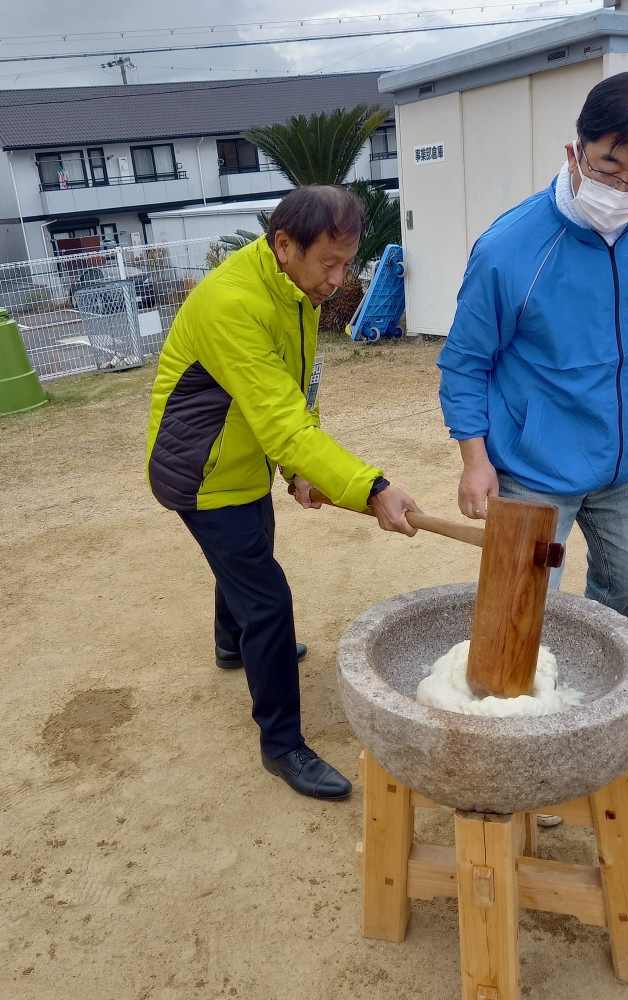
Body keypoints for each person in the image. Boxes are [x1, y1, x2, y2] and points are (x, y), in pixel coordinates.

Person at [147, 185, 420, 801]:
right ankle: (282, 745)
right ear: (284, 244)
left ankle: (228, 643)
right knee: (266, 599)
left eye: (347, 264)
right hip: (204, 474)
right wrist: (369, 488)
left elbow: (297, 392)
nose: (338, 280)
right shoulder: (230, 301)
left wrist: (302, 470)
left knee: (248, 558)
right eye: (330, 264)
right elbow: (282, 419)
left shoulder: (292, 288)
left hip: (243, 460)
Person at [439, 69, 628, 624]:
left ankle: (583, 676)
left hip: (617, 462)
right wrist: (475, 461)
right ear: (576, 152)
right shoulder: (508, 250)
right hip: (531, 469)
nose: (625, 188)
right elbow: (465, 364)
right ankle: (512, 698)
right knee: (520, 602)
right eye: (610, 167)